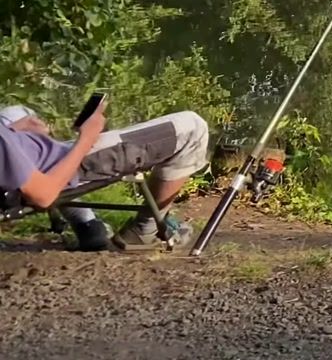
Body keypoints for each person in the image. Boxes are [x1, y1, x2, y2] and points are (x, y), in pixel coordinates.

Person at [1, 98, 210, 251]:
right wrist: (87, 136)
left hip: (32, 155)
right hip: (67, 162)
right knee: (193, 127)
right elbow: (43, 195)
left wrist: (17, 135)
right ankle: (144, 230)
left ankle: (88, 226)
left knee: (17, 112)